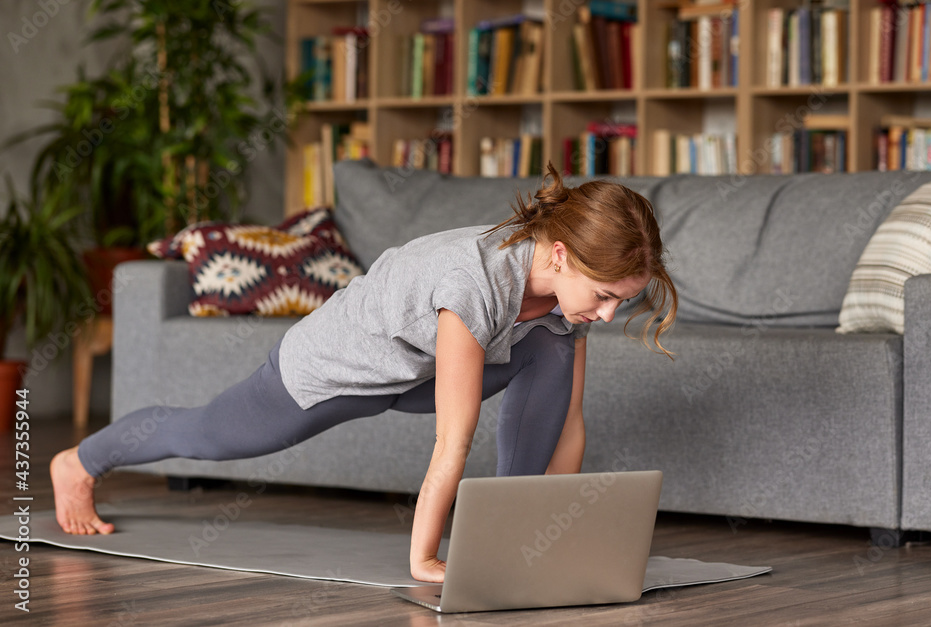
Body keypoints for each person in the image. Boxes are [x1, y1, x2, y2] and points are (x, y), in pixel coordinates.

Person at [49, 162, 678, 583]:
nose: (610, 312)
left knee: (552, 351)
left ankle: (511, 532)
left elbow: (567, 421)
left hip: (418, 370)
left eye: (623, 299)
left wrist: (555, 531)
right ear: (563, 256)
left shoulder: (569, 304)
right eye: (603, 295)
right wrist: (425, 558)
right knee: (213, 435)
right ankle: (79, 462)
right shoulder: (473, 285)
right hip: (340, 365)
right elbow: (452, 441)